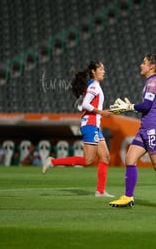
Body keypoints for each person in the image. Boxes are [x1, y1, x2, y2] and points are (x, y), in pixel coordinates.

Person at [108, 54, 156, 210]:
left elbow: (146, 105)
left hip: (154, 128)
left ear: (152, 66)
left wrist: (128, 107)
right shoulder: (150, 82)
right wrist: (131, 107)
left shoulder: (153, 82)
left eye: (144, 63)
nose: (141, 65)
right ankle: (128, 197)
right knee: (130, 159)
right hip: (145, 128)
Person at [42, 60, 114, 198]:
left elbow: (82, 105)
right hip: (90, 125)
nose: (104, 71)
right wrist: (101, 112)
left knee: (105, 157)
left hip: (94, 125)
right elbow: (86, 104)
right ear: (93, 72)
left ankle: (100, 191)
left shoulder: (93, 86)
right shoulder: (94, 87)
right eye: (101, 69)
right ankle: (52, 162)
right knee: (88, 161)